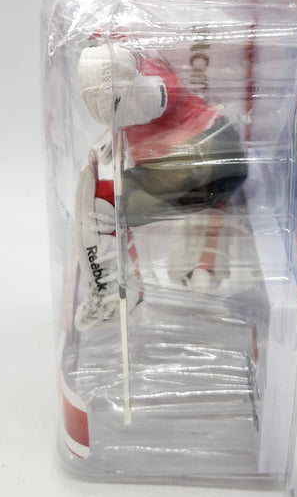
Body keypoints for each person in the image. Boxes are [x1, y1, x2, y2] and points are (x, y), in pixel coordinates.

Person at [74, 42, 247, 328]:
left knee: (102, 204)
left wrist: (130, 97)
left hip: (205, 154)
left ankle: (112, 296)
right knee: (118, 204)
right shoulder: (132, 83)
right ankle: (198, 270)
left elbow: (155, 96)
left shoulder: (144, 79)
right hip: (215, 158)